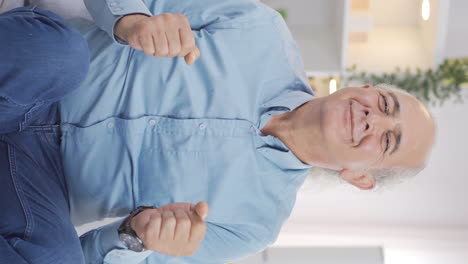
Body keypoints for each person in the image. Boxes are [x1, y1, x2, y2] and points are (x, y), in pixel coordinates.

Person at [0, 1, 436, 264]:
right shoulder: (261, 29)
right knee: (61, 55)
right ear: (363, 89)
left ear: (360, 178)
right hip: (40, 77)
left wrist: (134, 235)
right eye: (384, 104)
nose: (372, 119)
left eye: (387, 140)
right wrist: (131, 19)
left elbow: (93, 256)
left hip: (39, 185)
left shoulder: (255, 225)